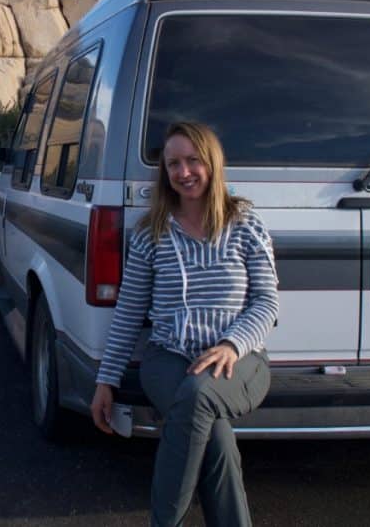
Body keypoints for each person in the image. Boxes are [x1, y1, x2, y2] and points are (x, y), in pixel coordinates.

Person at [90, 121, 279, 527]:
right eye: (173, 163)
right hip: (168, 358)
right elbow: (128, 311)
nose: (184, 172)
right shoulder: (150, 233)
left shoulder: (245, 223)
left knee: (199, 396)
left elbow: (267, 303)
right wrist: (106, 381)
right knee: (219, 442)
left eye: (193, 160)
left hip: (241, 361)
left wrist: (231, 345)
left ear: (212, 163)